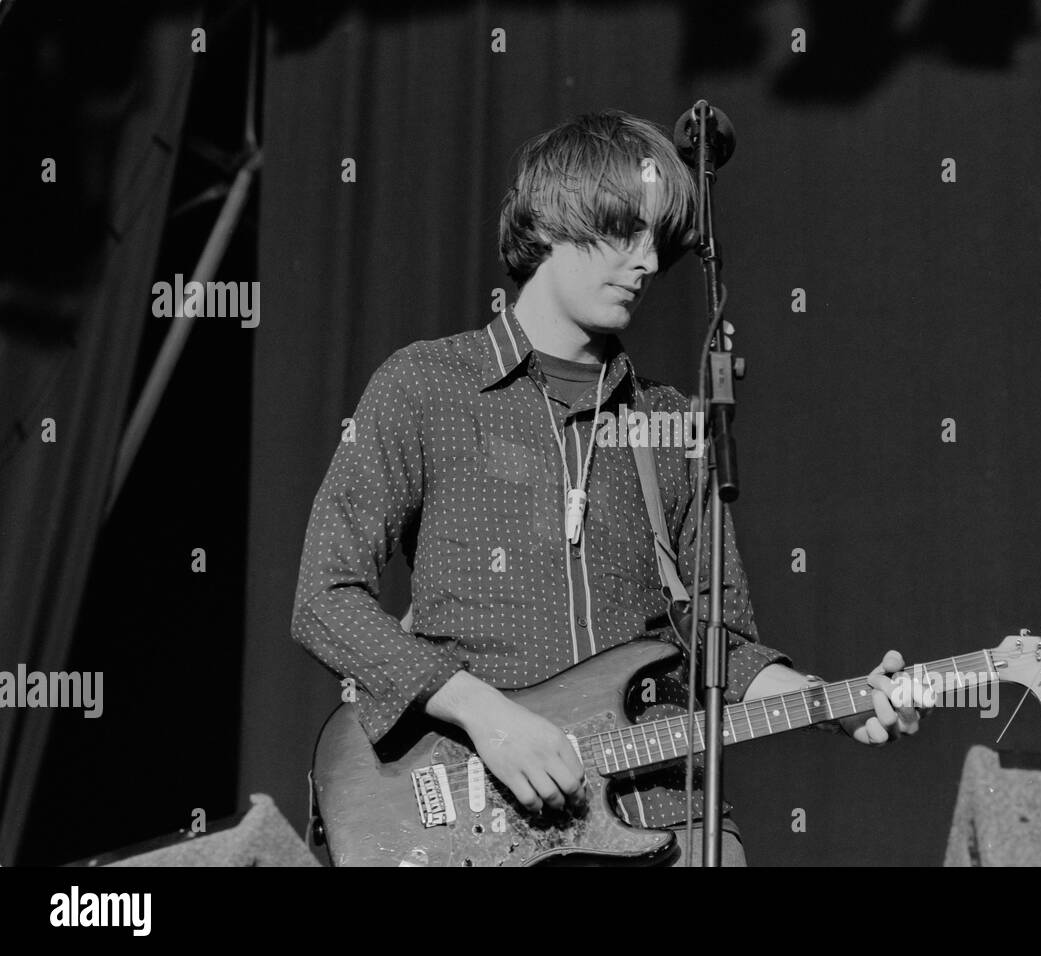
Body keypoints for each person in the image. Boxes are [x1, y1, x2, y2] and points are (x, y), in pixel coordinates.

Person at [291, 109, 920, 867]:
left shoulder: (671, 422)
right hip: (484, 825)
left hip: (670, 819)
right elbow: (324, 597)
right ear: (553, 220)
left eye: (660, 242)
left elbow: (720, 646)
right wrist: (485, 714)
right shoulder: (425, 385)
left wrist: (833, 703)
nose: (649, 263)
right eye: (627, 233)